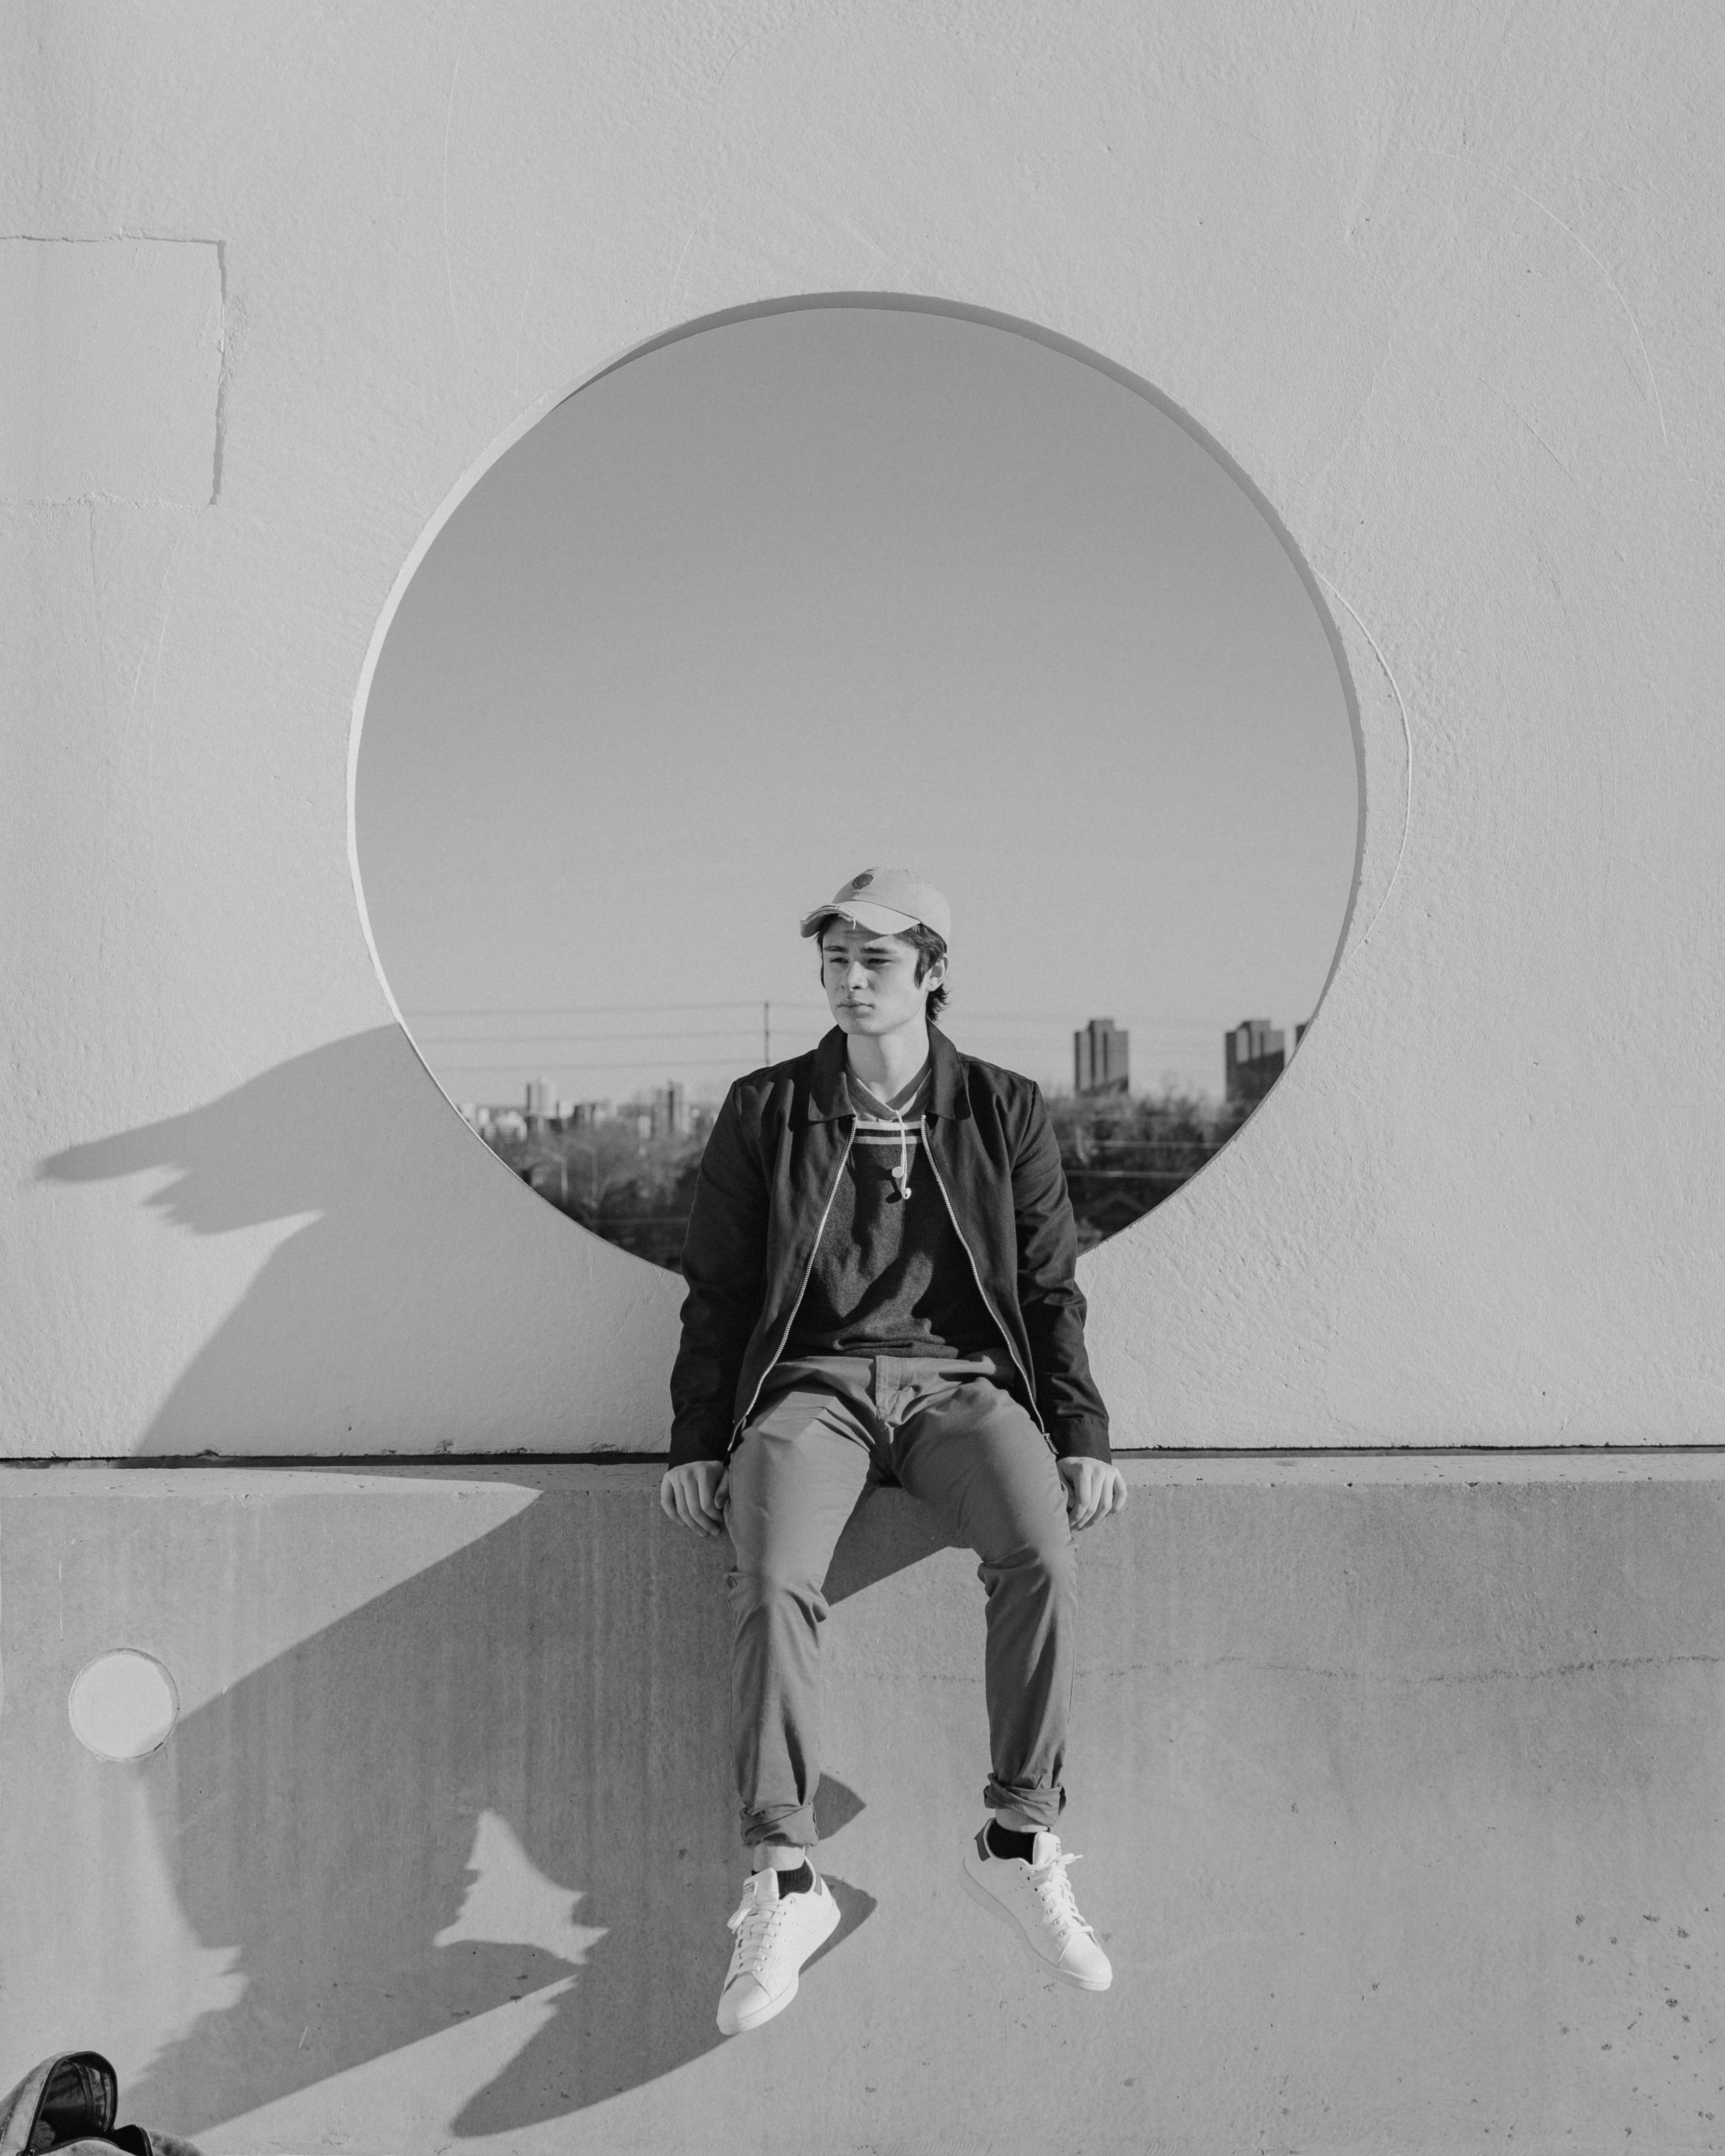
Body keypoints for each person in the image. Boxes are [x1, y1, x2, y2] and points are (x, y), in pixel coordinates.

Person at [660, 867, 1128, 2035]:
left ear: (931, 973)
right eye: (833, 959)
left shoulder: (1001, 1109)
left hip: (961, 1390)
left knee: (1040, 1550)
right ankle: (785, 1876)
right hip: (811, 1391)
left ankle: (1017, 1836)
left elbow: (1046, 1286)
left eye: (874, 960)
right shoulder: (765, 1110)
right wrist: (694, 1439)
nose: (849, 979)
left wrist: (1077, 1431)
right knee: (768, 1579)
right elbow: (715, 1291)